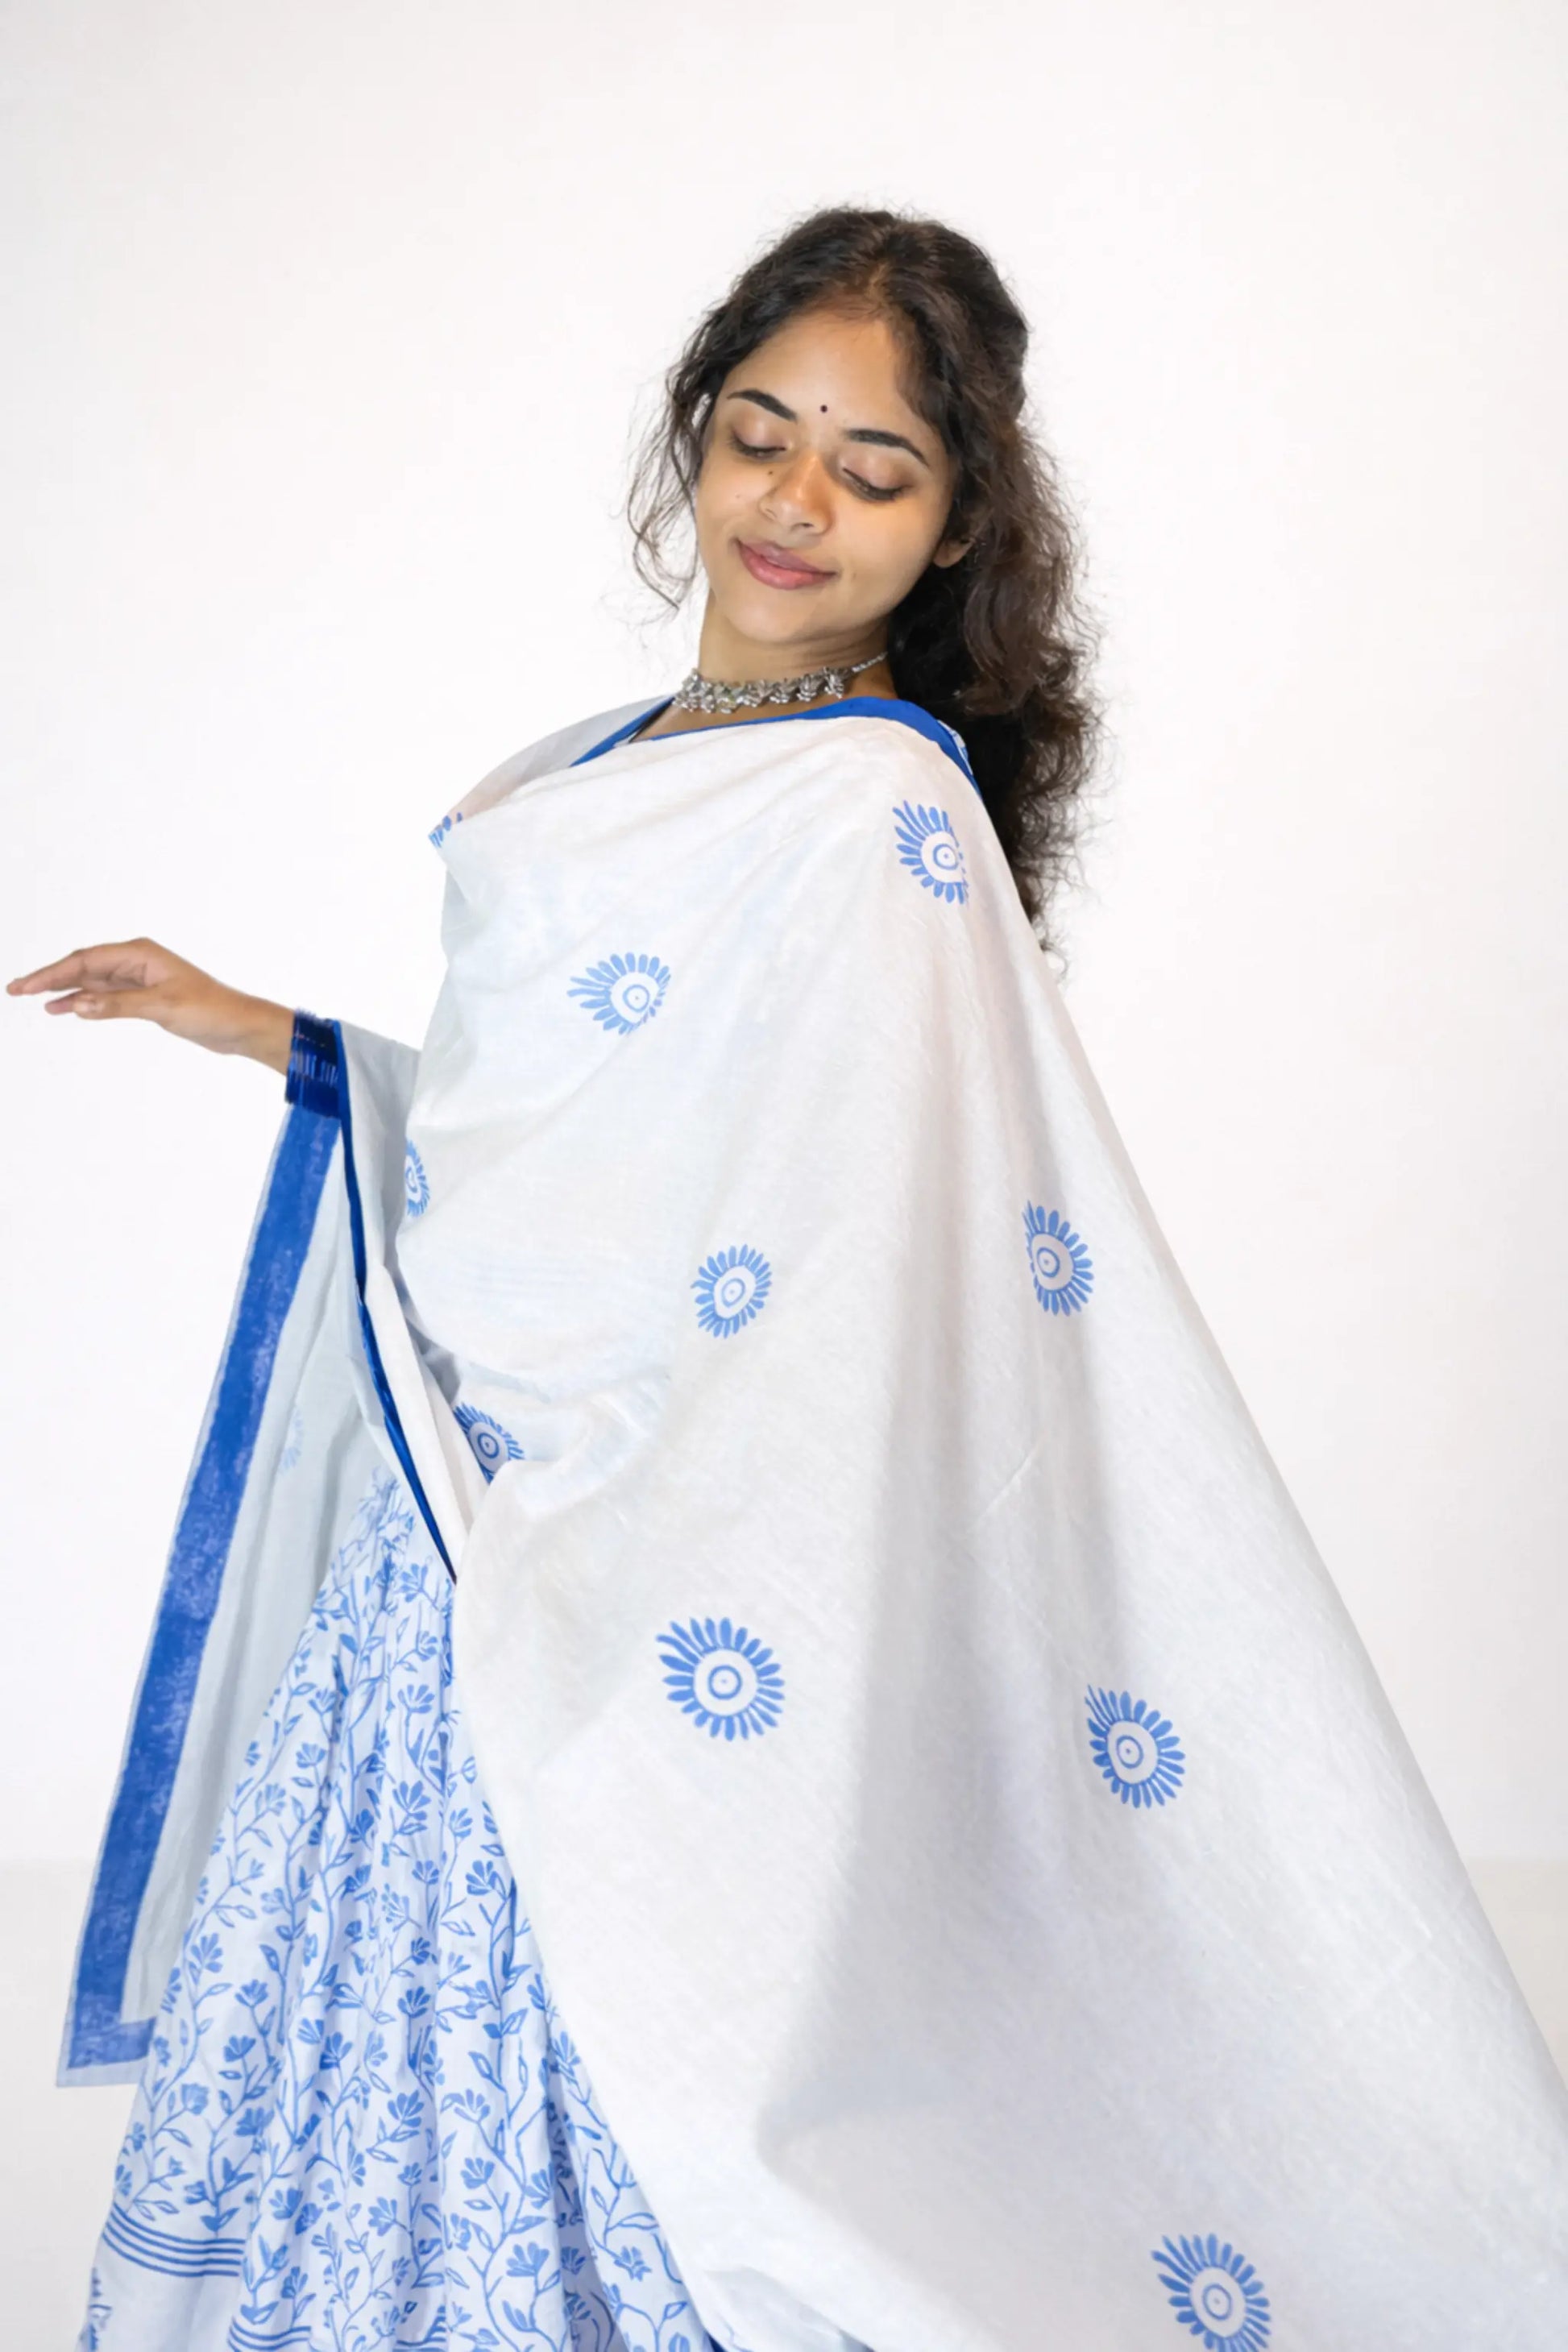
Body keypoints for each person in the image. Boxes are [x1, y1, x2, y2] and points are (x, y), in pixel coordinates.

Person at [14, 205, 1568, 2352]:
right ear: (695, 443)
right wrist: (265, 1034)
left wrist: (611, 1493)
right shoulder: (574, 775)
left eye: (874, 466)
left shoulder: (870, 824)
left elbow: (853, 1269)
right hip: (457, 1548)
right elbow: (526, 1139)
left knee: (657, 2039)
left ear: (950, 532)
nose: (799, 501)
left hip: (636, 1578)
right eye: (764, 436)